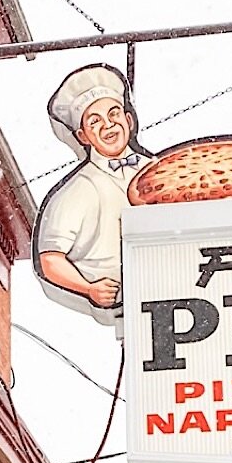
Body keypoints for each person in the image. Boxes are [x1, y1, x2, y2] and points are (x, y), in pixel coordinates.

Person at [33, 65, 149, 329]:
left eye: (113, 114)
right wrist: (88, 288)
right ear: (83, 136)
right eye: (94, 121)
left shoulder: (161, 170)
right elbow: (50, 259)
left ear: (128, 121)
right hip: (126, 310)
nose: (108, 125)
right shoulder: (78, 190)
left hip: (180, 293)